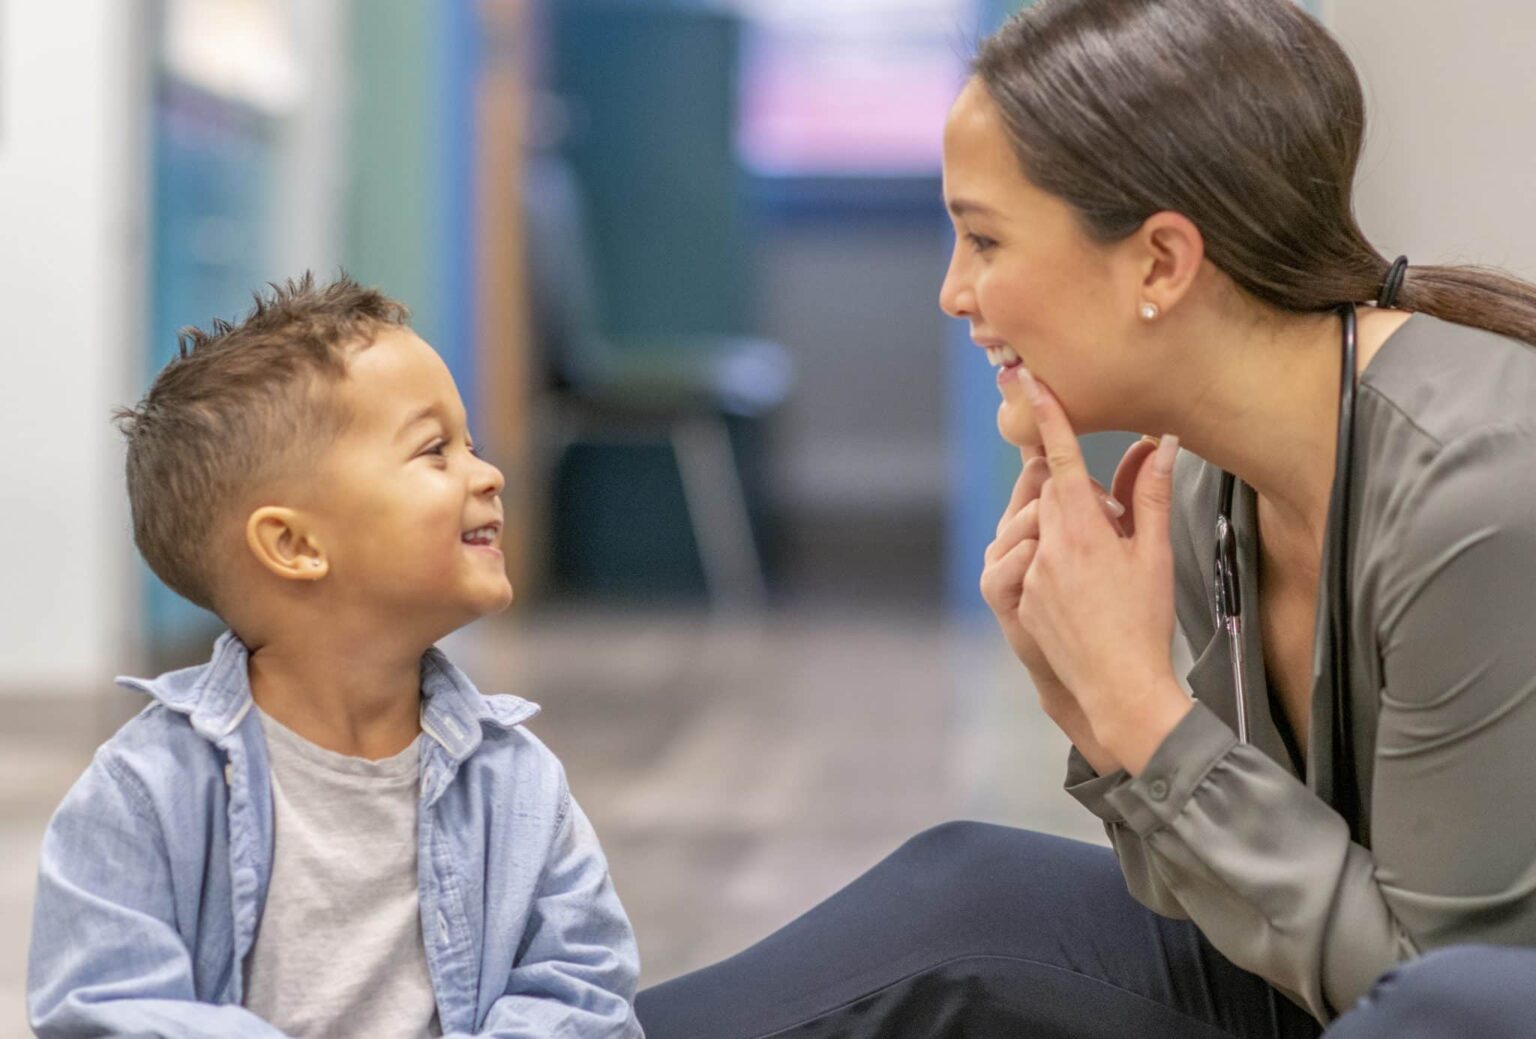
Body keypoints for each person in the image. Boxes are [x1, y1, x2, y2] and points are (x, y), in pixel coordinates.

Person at [634, 0, 1536, 1036]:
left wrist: (1143, 711)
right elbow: (1263, 913)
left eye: (982, 238)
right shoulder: (1207, 491)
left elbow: (1445, 1000)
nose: (952, 292)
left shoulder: (1481, 490)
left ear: (1160, 261)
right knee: (967, 896)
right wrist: (1097, 716)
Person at [27, 275, 643, 1038]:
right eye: (435, 451)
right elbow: (104, 1010)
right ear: (295, 544)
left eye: (471, 445)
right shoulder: (145, 793)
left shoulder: (515, 782)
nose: (488, 474)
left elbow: (582, 986)